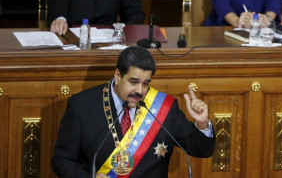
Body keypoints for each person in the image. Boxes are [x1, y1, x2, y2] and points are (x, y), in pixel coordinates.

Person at [51, 46, 215, 177]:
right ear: (117, 75)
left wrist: (202, 123)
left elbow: (201, 150)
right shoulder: (82, 106)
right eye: (133, 82)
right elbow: (62, 160)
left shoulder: (164, 108)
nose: (139, 90)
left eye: (145, 84)